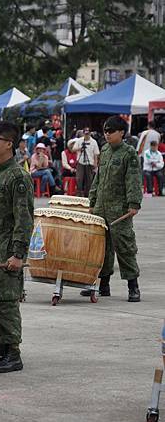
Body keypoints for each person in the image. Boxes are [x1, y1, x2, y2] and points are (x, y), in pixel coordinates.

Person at [0, 121, 34, 373]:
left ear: (8, 144)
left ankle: (14, 353)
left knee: (7, 299)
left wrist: (18, 254)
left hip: (8, 252)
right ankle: (4, 341)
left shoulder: (18, 177)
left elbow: (24, 219)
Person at [80, 116, 142, 302]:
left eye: (111, 131)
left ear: (121, 132)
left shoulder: (128, 153)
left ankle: (133, 286)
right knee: (101, 248)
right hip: (101, 208)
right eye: (105, 131)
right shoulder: (105, 151)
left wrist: (133, 204)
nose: (107, 134)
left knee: (124, 247)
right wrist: (92, 202)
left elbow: (133, 179)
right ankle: (103, 285)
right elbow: (97, 179)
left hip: (120, 209)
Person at [72, 127, 100, 197]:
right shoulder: (79, 140)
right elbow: (73, 149)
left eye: (88, 134)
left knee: (89, 180)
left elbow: (96, 154)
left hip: (90, 162)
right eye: (85, 134)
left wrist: (95, 164)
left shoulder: (93, 142)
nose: (86, 135)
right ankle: (79, 193)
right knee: (79, 178)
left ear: (90, 133)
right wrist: (80, 148)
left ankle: (88, 195)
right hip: (80, 162)